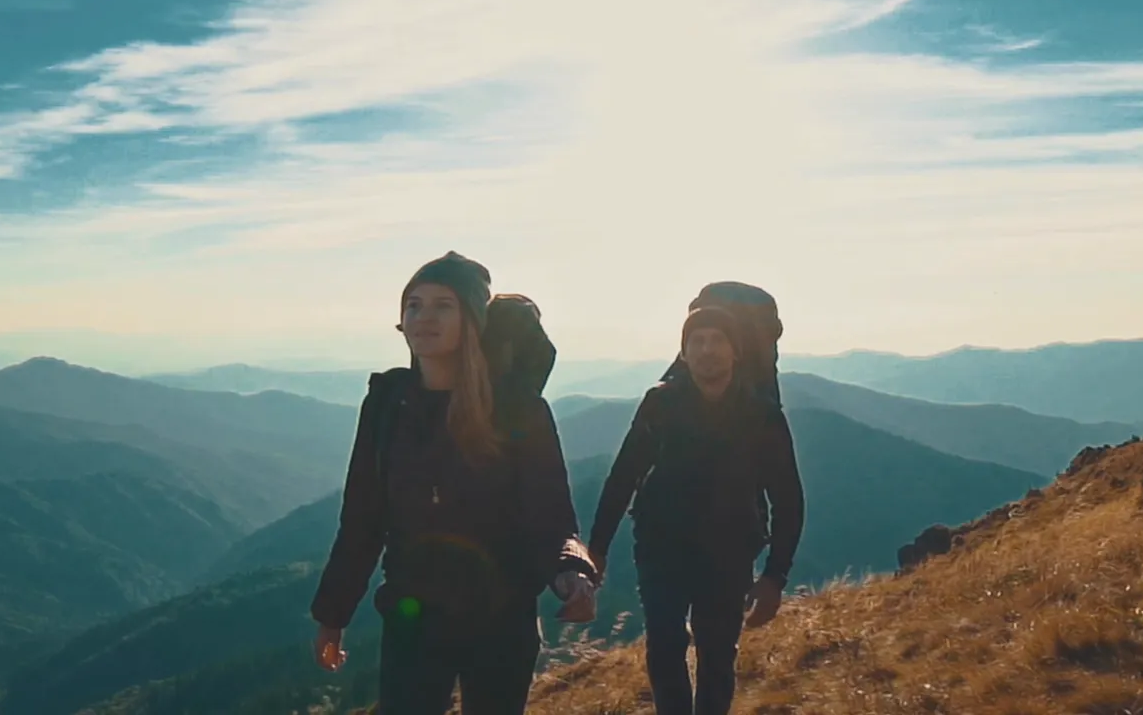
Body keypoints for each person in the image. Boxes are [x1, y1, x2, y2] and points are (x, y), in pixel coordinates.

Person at [309, 251, 599, 714]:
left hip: (503, 617)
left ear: (473, 320)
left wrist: (572, 570)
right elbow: (362, 519)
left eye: (444, 305)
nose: (424, 317)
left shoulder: (517, 409)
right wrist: (332, 616)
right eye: (413, 305)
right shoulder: (386, 406)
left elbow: (549, 510)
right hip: (412, 616)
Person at [587, 305, 806, 715]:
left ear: (736, 351)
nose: (707, 350)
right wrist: (595, 548)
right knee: (665, 645)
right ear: (683, 353)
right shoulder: (660, 404)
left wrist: (775, 575)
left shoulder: (761, 416)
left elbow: (788, 498)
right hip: (660, 547)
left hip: (729, 550)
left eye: (717, 340)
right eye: (697, 341)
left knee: (717, 652)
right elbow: (624, 476)